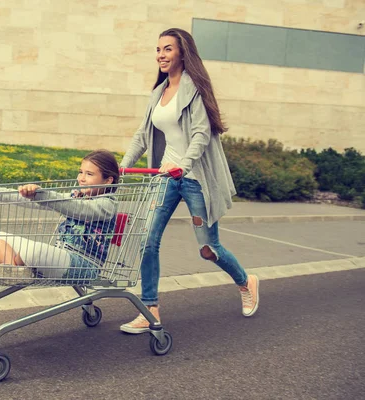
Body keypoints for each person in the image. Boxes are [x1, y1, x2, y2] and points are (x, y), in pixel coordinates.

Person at [119, 28, 260, 334]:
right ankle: (150, 309)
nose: (161, 55)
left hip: (193, 177)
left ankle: (245, 281)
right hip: (165, 177)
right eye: (158, 49)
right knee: (147, 241)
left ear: (182, 52)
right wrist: (123, 165)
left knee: (208, 247)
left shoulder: (194, 88)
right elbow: (143, 135)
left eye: (167, 49)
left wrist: (184, 165)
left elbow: (201, 133)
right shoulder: (158, 93)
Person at [0, 149, 120, 283]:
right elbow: (31, 202)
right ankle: (14, 271)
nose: (81, 178)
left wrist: (41, 194)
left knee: (33, 251)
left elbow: (77, 208)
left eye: (89, 174)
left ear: (108, 180)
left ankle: (5, 263)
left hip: (84, 265)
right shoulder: (77, 195)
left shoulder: (107, 205)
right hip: (61, 255)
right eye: (81, 172)